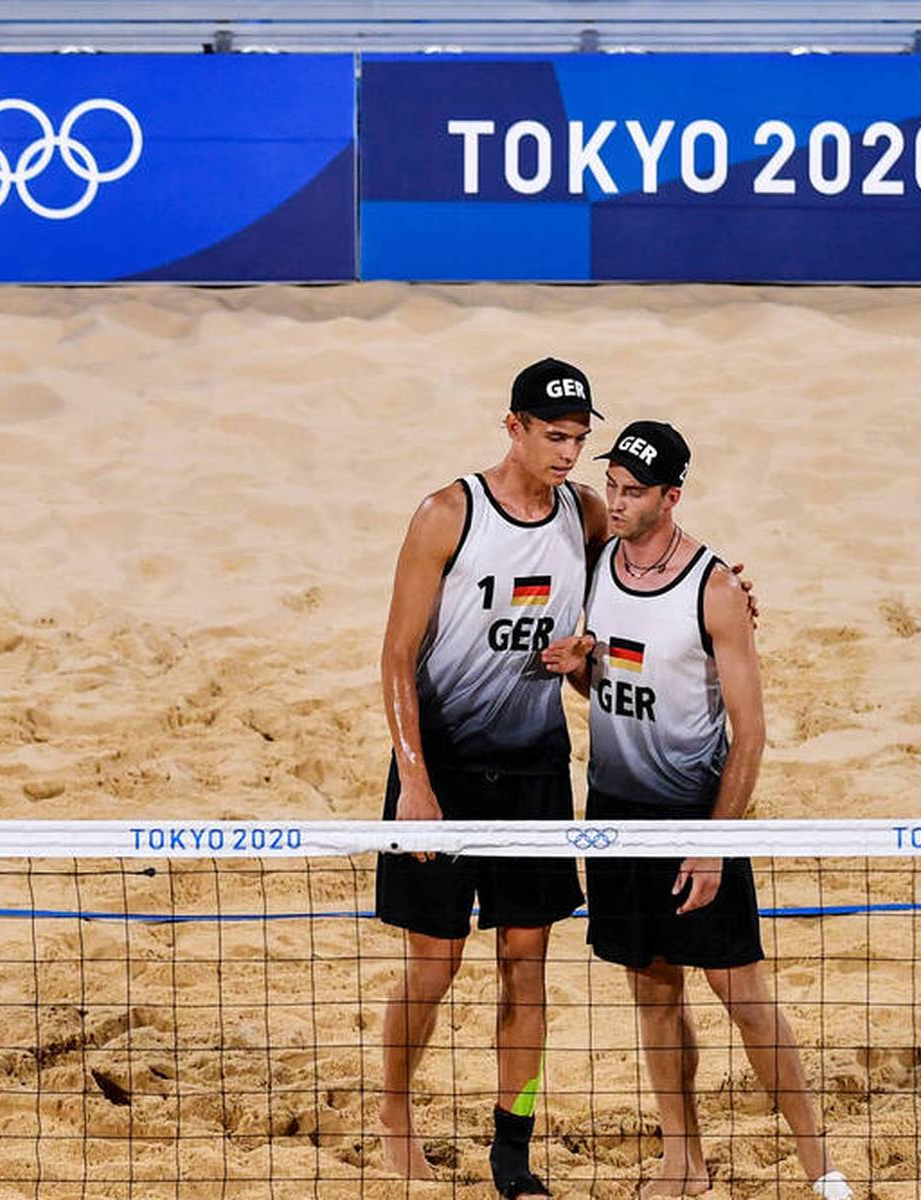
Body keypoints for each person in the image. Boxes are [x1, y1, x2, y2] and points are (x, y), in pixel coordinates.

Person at [544, 421, 852, 1200]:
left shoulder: (714, 588)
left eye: (633, 492)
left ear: (671, 497)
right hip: (614, 811)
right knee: (653, 990)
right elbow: (607, 689)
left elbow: (752, 733)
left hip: (692, 813)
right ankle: (683, 1161)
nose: (616, 501)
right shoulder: (598, 564)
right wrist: (577, 671)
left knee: (743, 997)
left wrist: (714, 843)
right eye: (612, 486)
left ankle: (820, 1166)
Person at [375, 357, 607, 1199]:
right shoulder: (447, 514)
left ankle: (513, 1149)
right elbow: (396, 657)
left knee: (524, 965)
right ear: (513, 426)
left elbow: (622, 615)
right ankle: (394, 1111)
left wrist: (585, 658)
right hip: (442, 766)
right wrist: (415, 782)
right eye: (554, 436)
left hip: (535, 768)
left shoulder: (585, 514)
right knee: (435, 967)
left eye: (579, 439)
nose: (568, 454)